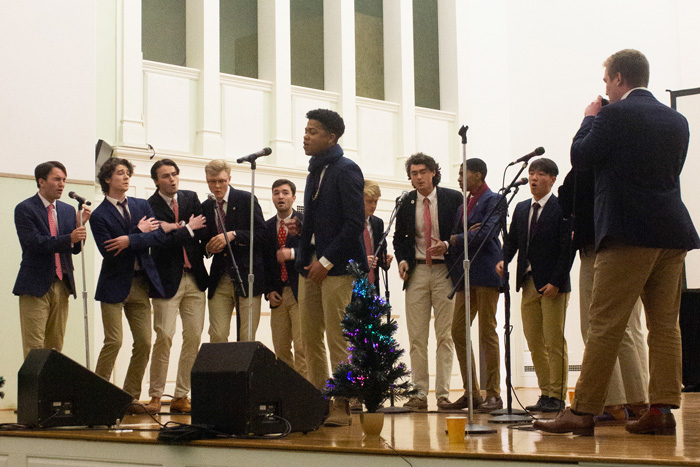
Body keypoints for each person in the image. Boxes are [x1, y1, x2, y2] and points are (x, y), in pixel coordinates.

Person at [535, 49, 699, 436]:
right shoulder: (677, 119)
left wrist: (587, 119)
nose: (605, 86)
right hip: (672, 234)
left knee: (604, 324)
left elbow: (581, 155)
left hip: (628, 234)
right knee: (664, 327)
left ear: (620, 79)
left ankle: (583, 410)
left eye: (607, 79)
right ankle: (661, 409)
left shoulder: (611, 114)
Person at [558, 167, 649, 425]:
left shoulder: (589, 163)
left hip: (598, 246)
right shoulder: (628, 167)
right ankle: (637, 402)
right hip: (630, 246)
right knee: (628, 328)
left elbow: (566, 197)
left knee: (596, 327)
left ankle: (616, 402)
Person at [296, 108, 367, 426]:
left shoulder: (347, 169)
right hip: (310, 266)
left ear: (331, 137)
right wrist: (305, 260)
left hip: (337, 268)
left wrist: (326, 261)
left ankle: (344, 401)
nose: (305, 136)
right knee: (309, 337)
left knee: (338, 337)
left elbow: (355, 223)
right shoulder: (314, 172)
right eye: (306, 130)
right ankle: (317, 399)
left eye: (312, 131)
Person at [496, 157, 572, 413]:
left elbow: (566, 250)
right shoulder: (520, 208)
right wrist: (503, 260)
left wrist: (557, 281)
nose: (533, 178)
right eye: (531, 173)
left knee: (553, 340)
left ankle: (558, 395)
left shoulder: (561, 208)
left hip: (552, 285)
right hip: (527, 283)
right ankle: (545, 393)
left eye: (540, 174)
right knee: (534, 340)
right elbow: (513, 242)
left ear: (552, 179)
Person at [91, 157, 165, 412]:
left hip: (140, 284)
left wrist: (128, 238)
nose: (125, 177)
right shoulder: (99, 214)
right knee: (114, 341)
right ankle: (98, 395)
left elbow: (156, 236)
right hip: (113, 285)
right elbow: (109, 250)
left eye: (127, 173)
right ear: (108, 179)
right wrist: (137, 232)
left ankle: (130, 397)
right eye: (120, 173)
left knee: (144, 341)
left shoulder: (141, 204)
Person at [393, 153, 462, 411]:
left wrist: (448, 245)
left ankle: (443, 394)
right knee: (417, 338)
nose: (419, 177)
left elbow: (462, 232)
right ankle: (419, 393)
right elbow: (399, 239)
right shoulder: (405, 202)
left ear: (433, 172)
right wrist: (402, 260)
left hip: (446, 271)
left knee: (445, 335)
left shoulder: (453, 199)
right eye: (413, 173)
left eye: (423, 172)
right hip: (418, 272)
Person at [144, 159, 208, 414]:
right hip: (165, 280)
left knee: (193, 337)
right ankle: (156, 395)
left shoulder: (191, 198)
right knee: (164, 336)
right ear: (156, 180)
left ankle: (182, 395)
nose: (172, 179)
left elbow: (201, 230)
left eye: (174, 174)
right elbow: (158, 241)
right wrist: (187, 228)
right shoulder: (149, 205)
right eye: (165, 176)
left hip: (194, 277)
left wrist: (178, 229)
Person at [443, 159, 503, 412]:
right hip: (465, 275)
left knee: (486, 331)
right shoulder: (462, 205)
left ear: (477, 174)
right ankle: (471, 392)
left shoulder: (494, 199)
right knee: (458, 331)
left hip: (488, 271)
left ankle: (494, 393)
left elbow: (485, 234)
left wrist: (458, 237)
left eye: (462, 173)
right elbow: (470, 235)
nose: (458, 178)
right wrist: (468, 232)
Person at [13, 161, 90, 358]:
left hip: (62, 284)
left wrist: (80, 229)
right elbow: (34, 243)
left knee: (54, 348)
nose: (62, 184)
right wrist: (69, 237)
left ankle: (51, 389)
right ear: (41, 181)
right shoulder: (25, 208)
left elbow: (73, 250)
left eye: (64, 180)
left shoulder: (67, 210)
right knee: (35, 349)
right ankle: (35, 390)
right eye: (57, 179)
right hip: (35, 285)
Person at [201, 159, 267, 343]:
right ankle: (220, 372)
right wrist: (208, 247)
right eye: (212, 182)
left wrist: (234, 235)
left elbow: (262, 235)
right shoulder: (206, 206)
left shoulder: (246, 199)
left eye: (221, 181)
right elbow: (202, 240)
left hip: (246, 276)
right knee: (218, 335)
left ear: (229, 178)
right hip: (220, 278)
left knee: (246, 337)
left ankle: (243, 373)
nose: (216, 186)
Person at [263, 178, 306, 377]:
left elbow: (314, 250)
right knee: (281, 348)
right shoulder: (266, 226)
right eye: (276, 192)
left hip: (301, 290)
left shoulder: (304, 222)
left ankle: (306, 394)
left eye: (285, 192)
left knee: (302, 347)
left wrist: (293, 253)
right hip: (278, 294)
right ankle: (288, 392)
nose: (280, 196)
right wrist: (269, 290)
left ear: (293, 197)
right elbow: (264, 262)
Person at [362, 180, 393, 294]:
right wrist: (362, 261)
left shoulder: (377, 223)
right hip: (352, 284)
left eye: (376, 201)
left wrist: (384, 260)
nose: (373, 206)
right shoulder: (348, 223)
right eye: (369, 201)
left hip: (373, 285)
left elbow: (379, 252)